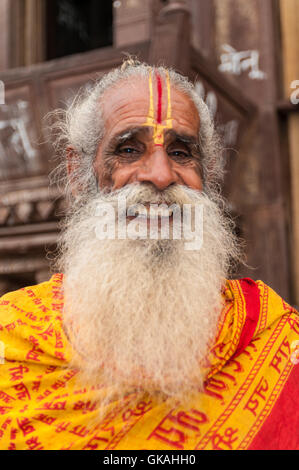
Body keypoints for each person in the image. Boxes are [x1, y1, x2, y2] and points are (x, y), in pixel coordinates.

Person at [0, 59, 298, 451]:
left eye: (180, 152)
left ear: (205, 176)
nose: (160, 175)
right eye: (127, 149)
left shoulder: (271, 334)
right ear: (78, 173)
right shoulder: (14, 339)